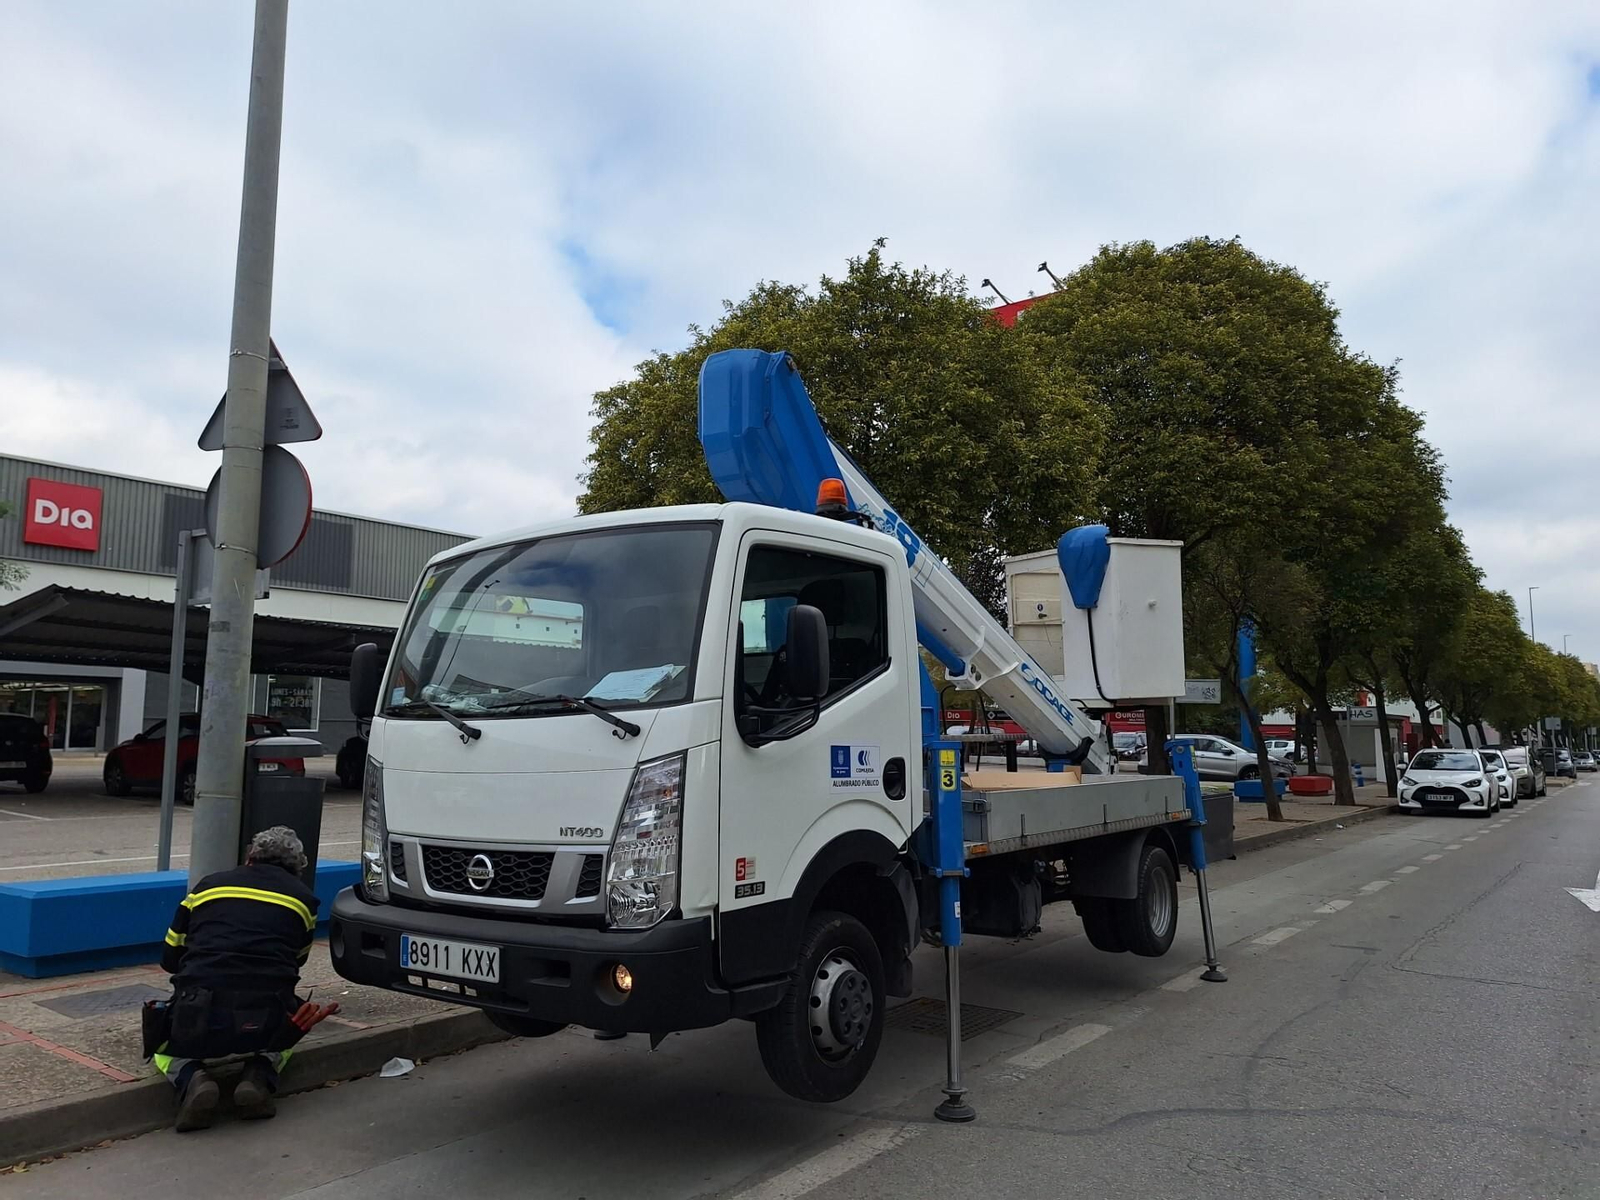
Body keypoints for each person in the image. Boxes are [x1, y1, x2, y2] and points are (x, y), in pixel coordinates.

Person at [149, 826, 339, 1131]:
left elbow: (170, 959)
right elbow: (296, 960)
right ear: (297, 868)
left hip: (199, 1015)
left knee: (161, 1045)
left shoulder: (206, 887)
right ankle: (258, 1075)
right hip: (264, 1019)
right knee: (294, 1025)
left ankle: (191, 1077)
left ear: (250, 856)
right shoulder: (304, 902)